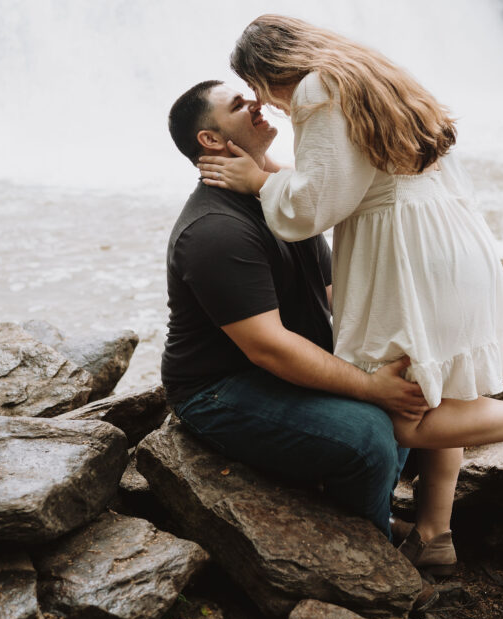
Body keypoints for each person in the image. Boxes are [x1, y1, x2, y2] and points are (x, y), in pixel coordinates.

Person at [198, 14, 503, 576]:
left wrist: (257, 182)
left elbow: (314, 206)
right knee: (439, 394)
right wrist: (270, 167)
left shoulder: (317, 90)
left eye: (259, 90)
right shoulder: (372, 74)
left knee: (401, 413)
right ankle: (435, 536)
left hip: (405, 254)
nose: (266, 105)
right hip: (450, 238)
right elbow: (346, 173)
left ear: (272, 71)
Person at [161, 78, 428, 547]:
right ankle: (372, 553)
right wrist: (368, 386)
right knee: (368, 433)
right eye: (240, 105)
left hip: (282, 363)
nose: (258, 105)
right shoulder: (214, 231)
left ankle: (365, 509)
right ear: (211, 141)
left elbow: (337, 293)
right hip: (221, 388)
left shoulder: (282, 197)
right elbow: (268, 348)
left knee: (408, 374)